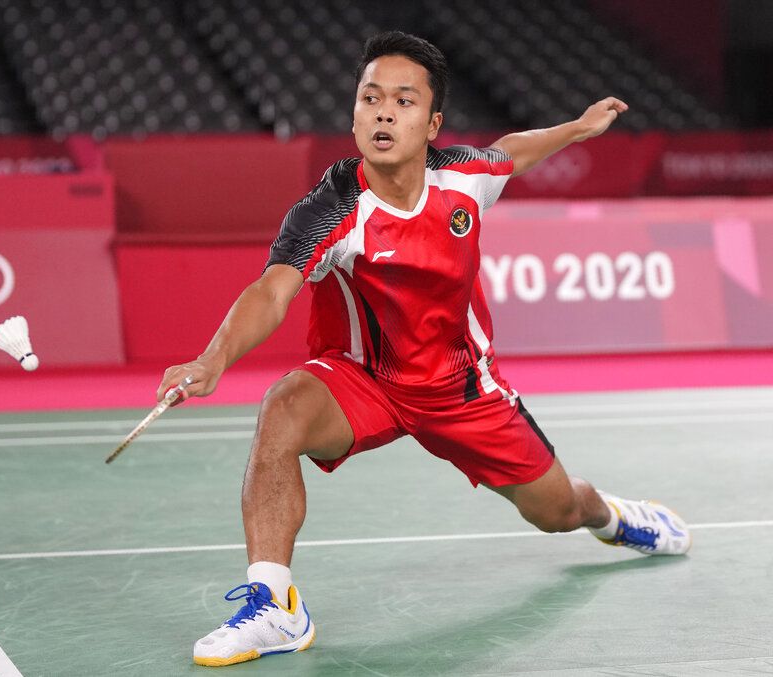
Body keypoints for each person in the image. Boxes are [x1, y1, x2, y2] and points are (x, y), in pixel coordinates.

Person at [156, 31, 691, 668]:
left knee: (558, 510)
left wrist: (576, 128)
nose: (383, 112)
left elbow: (510, 154)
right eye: (370, 98)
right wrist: (213, 359)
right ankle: (274, 606)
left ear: (432, 122)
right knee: (283, 408)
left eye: (404, 102)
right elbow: (272, 292)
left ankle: (615, 518)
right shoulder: (330, 210)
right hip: (364, 379)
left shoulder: (463, 179)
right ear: (354, 112)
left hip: (462, 388)